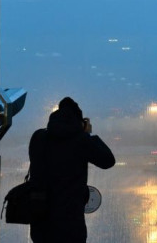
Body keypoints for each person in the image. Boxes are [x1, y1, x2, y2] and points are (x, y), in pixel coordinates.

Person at [28, 97, 115, 243]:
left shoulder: (39, 137)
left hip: (41, 220)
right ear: (80, 121)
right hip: (71, 222)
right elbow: (108, 161)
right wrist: (87, 133)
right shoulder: (81, 140)